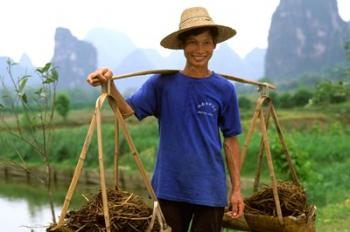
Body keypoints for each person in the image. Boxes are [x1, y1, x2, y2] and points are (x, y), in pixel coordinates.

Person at [87, 6, 244, 232]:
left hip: (210, 190)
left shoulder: (224, 89)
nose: (200, 49)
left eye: (206, 42)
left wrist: (236, 189)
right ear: (182, 45)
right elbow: (126, 110)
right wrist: (107, 83)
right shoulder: (162, 84)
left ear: (214, 45)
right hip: (169, 189)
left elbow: (230, 140)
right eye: (192, 42)